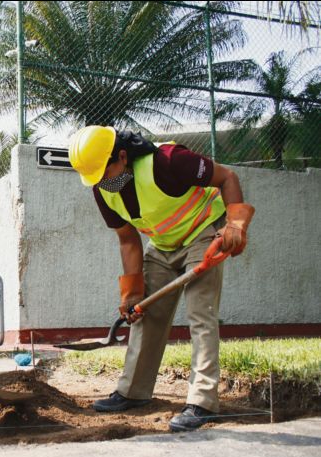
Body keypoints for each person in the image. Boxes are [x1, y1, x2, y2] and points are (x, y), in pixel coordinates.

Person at [69, 126, 255, 432]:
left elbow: (227, 178)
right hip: (164, 244)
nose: (102, 180)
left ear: (123, 156)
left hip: (203, 232)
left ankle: (203, 401)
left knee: (200, 314)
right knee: (146, 314)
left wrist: (235, 223)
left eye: (105, 170)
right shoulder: (102, 190)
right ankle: (133, 392)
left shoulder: (168, 161)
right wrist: (131, 292)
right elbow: (128, 240)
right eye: (95, 176)